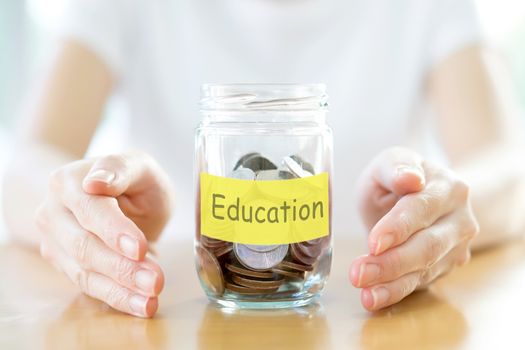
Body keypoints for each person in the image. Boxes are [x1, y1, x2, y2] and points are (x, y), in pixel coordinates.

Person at [2, 0, 525, 318]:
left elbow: (507, 165)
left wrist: (433, 202)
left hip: (359, 313)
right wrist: (86, 201)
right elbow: (22, 165)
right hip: (184, 309)